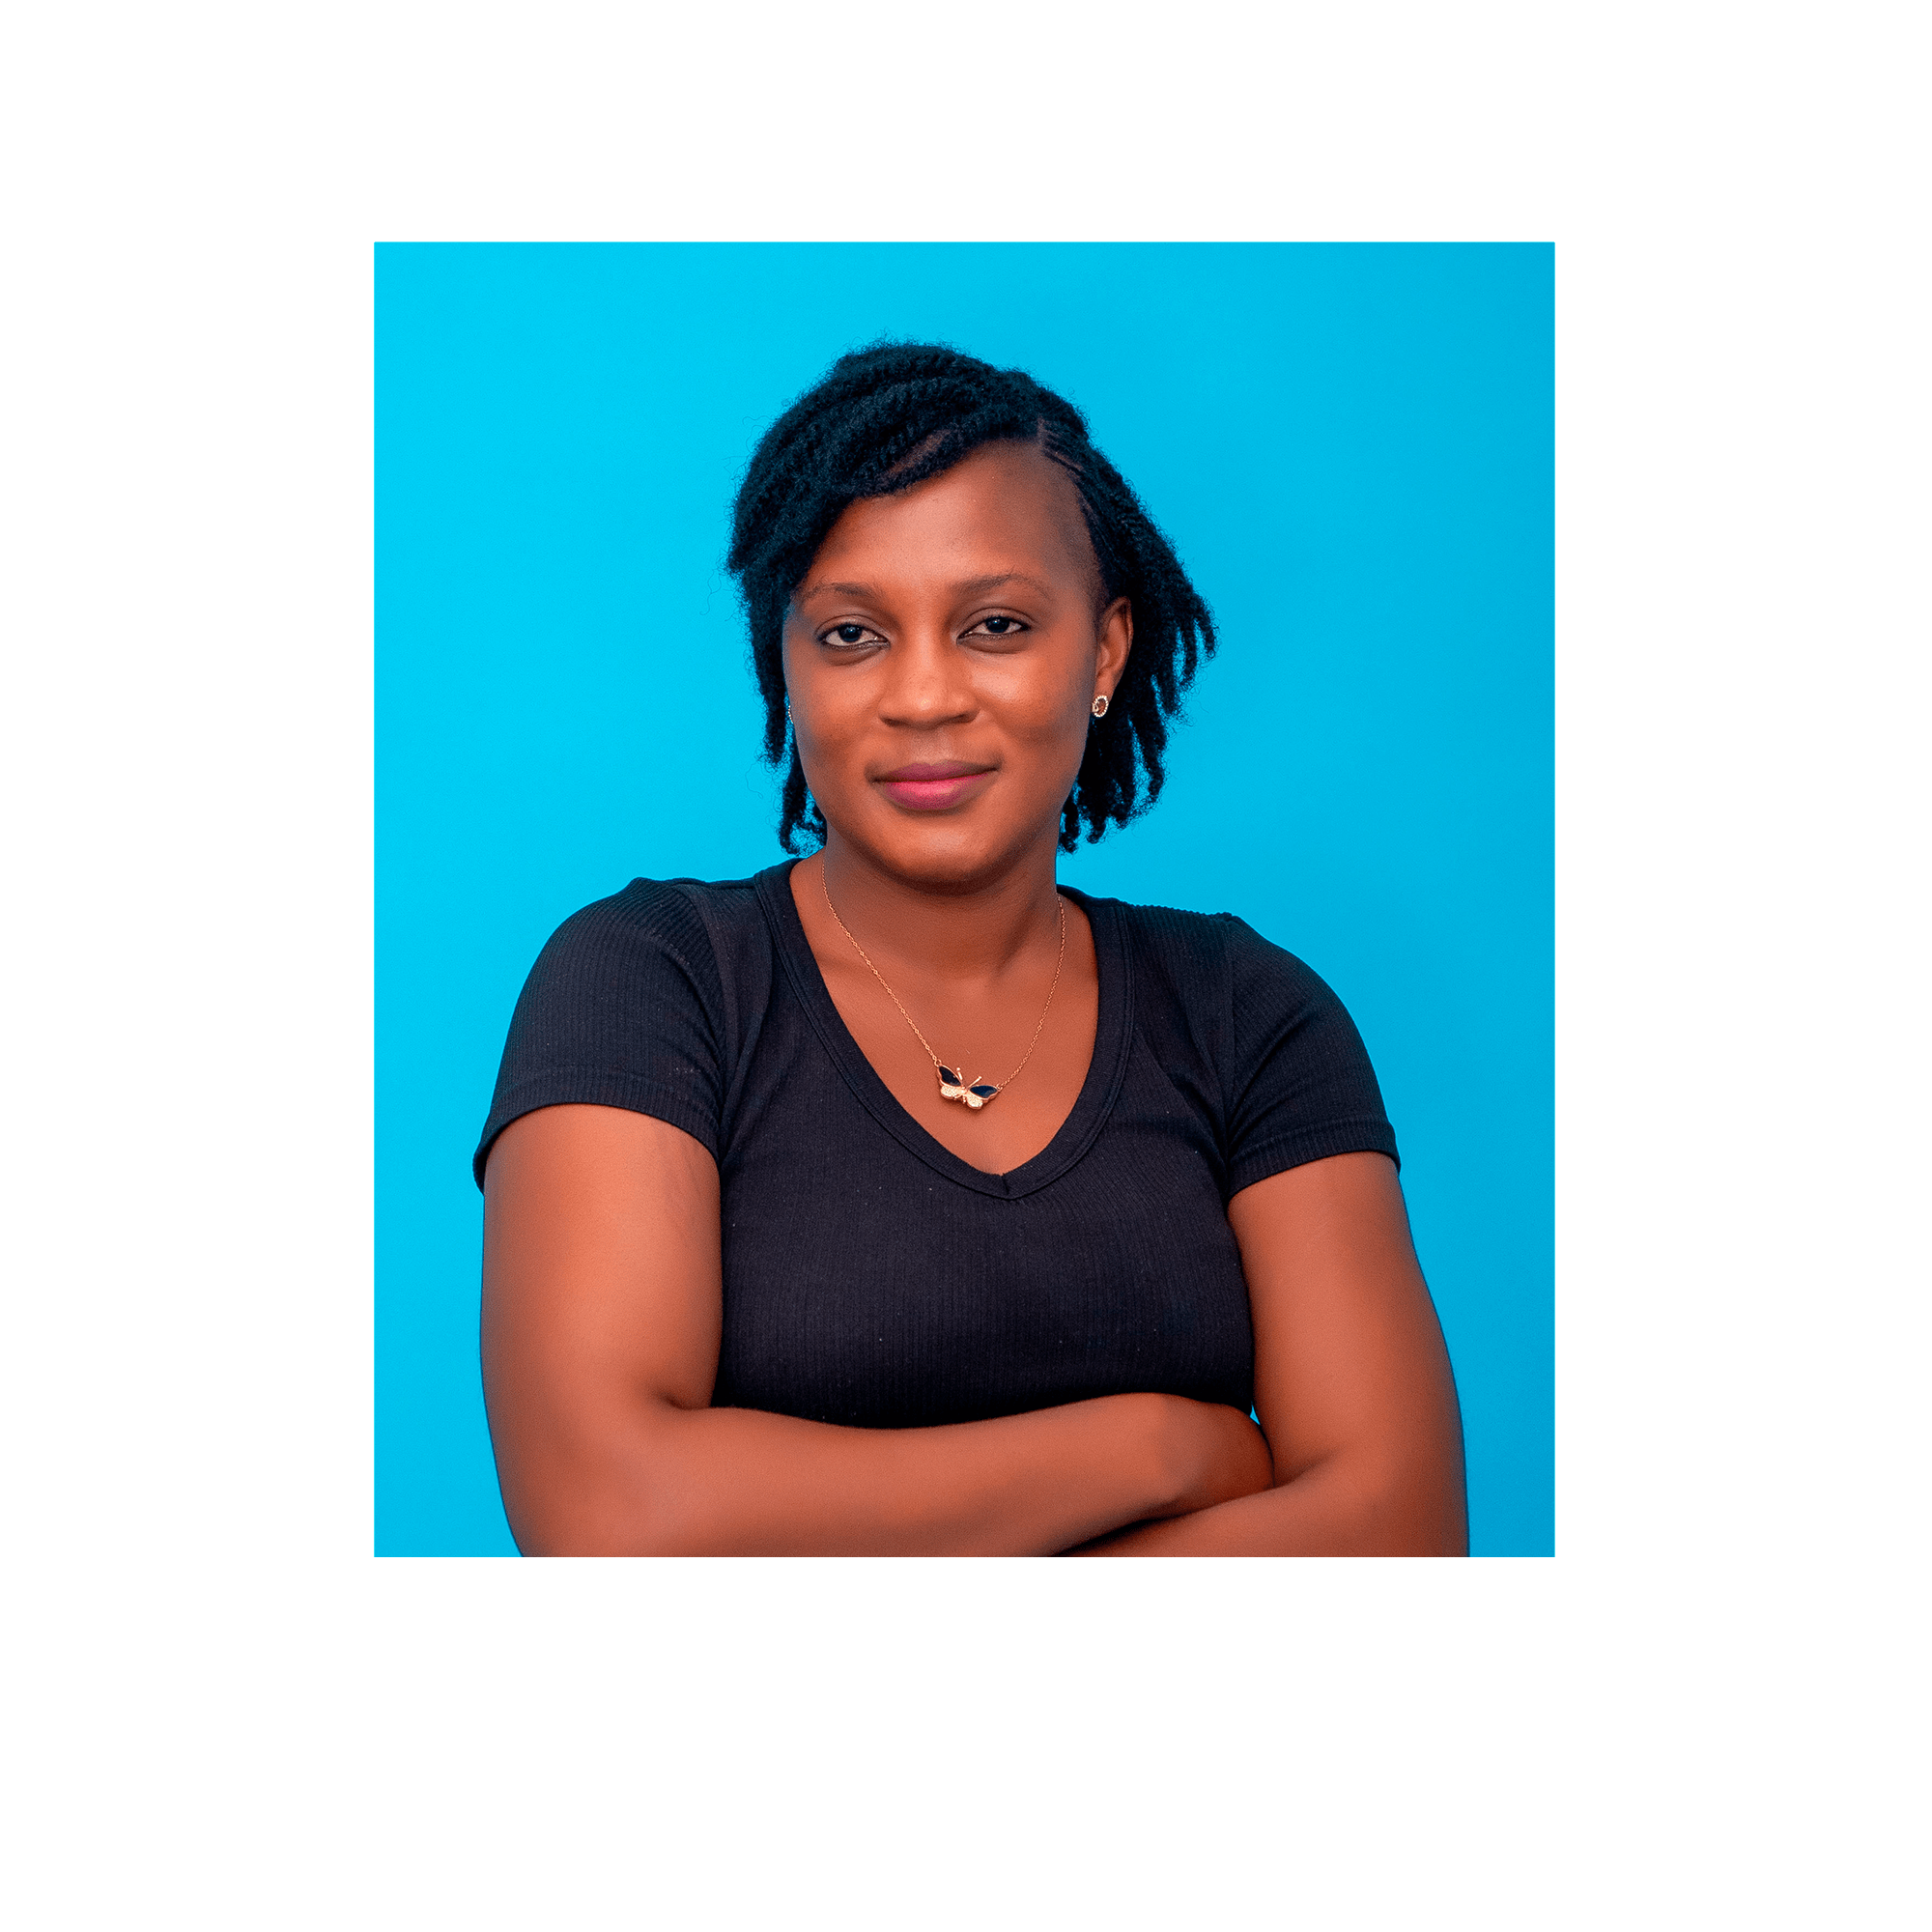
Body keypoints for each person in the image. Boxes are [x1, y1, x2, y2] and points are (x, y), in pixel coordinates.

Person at [474, 343, 1466, 1555]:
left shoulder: (1243, 1013)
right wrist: (1158, 1446)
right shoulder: (653, 983)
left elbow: (1399, 1536)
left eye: (994, 624)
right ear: (784, 661)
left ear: (1103, 651)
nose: (923, 695)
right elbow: (612, 1519)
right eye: (851, 633)